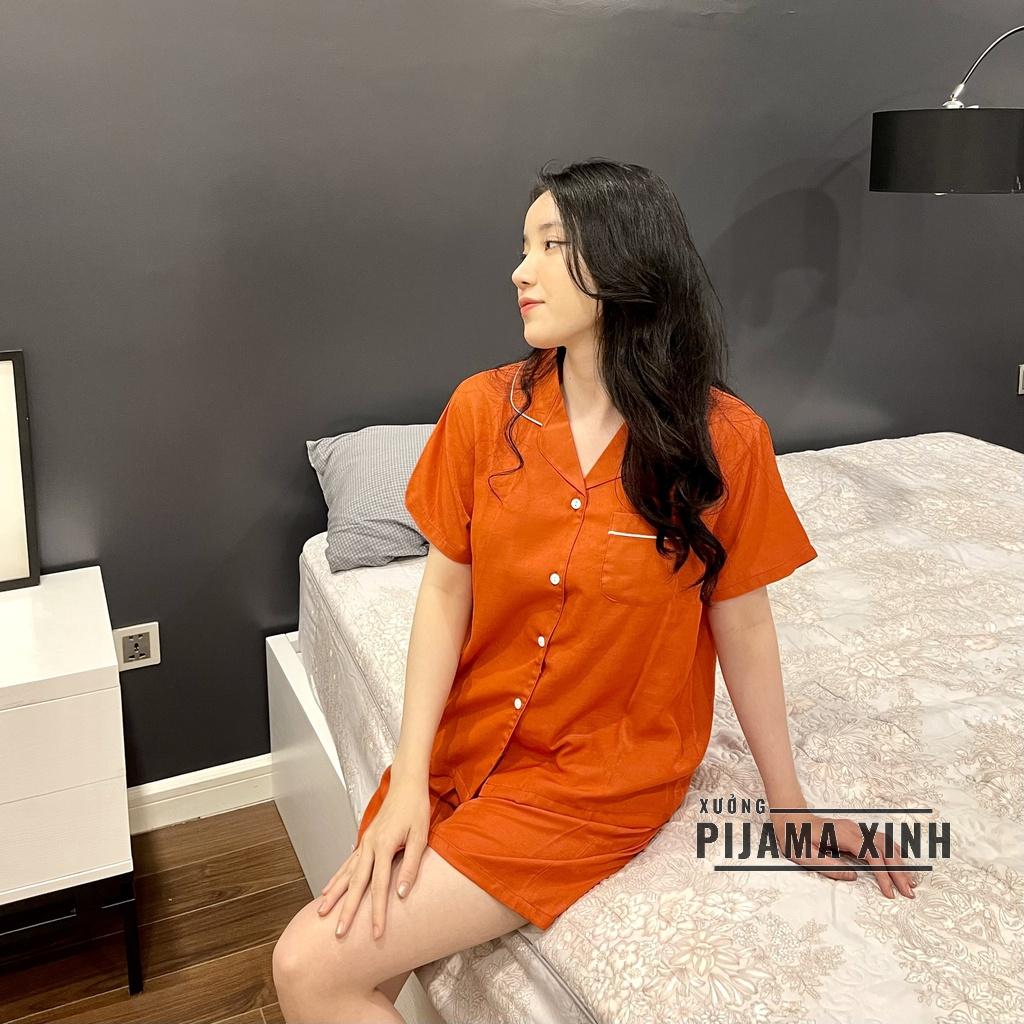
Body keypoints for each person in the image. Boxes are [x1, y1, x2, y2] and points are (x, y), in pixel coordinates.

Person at [271, 159, 915, 1023]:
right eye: (523, 245)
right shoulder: (482, 411)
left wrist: (788, 805)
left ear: (624, 264)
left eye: (551, 246)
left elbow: (744, 625)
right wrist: (411, 776)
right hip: (468, 742)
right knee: (355, 971)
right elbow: (444, 595)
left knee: (308, 966)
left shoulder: (726, 440)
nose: (520, 271)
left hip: (594, 781)